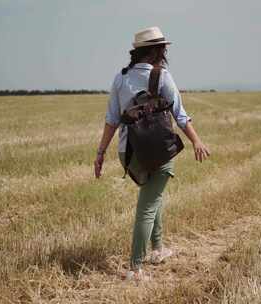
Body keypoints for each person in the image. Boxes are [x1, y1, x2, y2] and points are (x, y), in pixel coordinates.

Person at [94, 26, 210, 281]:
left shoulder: (120, 78)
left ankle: (157, 249)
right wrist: (196, 141)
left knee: (152, 195)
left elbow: (111, 120)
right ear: (157, 50)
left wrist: (101, 153)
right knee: (147, 206)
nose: (166, 52)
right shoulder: (163, 76)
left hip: (129, 152)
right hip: (159, 150)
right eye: (164, 48)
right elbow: (179, 115)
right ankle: (135, 269)